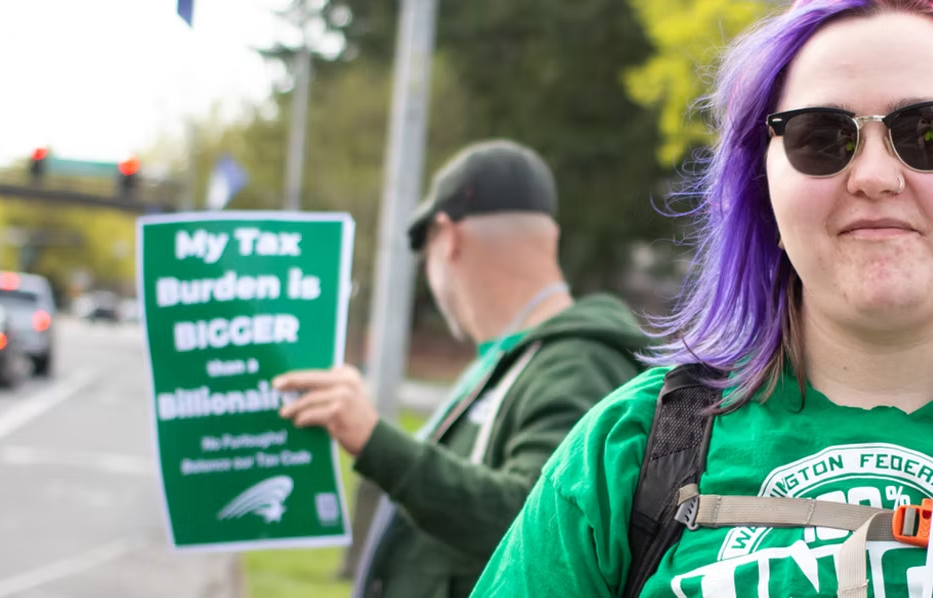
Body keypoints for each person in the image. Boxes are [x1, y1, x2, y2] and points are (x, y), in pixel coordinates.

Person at [470, 1, 933, 596]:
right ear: (763, 185)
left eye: (930, 131)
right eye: (821, 137)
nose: (874, 175)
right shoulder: (628, 448)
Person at [274, 139, 651, 598]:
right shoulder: (513, 359)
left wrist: (374, 440)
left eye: (425, 251)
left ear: (447, 238)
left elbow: (540, 524)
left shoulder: (576, 361)